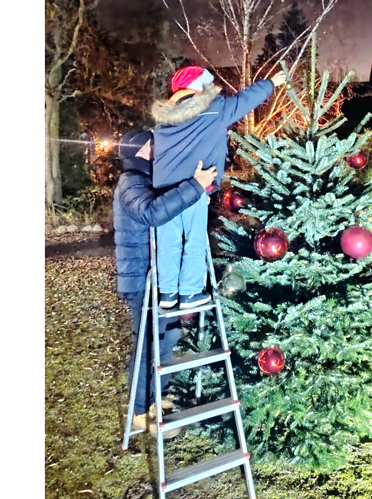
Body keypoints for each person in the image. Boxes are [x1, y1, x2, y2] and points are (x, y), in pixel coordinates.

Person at [150, 66, 287, 310]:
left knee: (169, 244)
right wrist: (271, 84)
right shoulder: (213, 109)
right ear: (197, 87)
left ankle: (167, 293)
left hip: (163, 195)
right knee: (193, 241)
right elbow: (244, 101)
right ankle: (190, 293)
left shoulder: (163, 120)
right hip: (194, 188)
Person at [113, 128, 217, 437]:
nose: (156, 152)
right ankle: (140, 412)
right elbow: (153, 212)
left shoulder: (150, 181)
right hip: (142, 280)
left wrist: (197, 195)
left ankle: (157, 399)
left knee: (167, 338)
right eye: (151, 148)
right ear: (136, 152)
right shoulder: (131, 183)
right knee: (148, 344)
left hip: (160, 278)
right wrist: (193, 188)